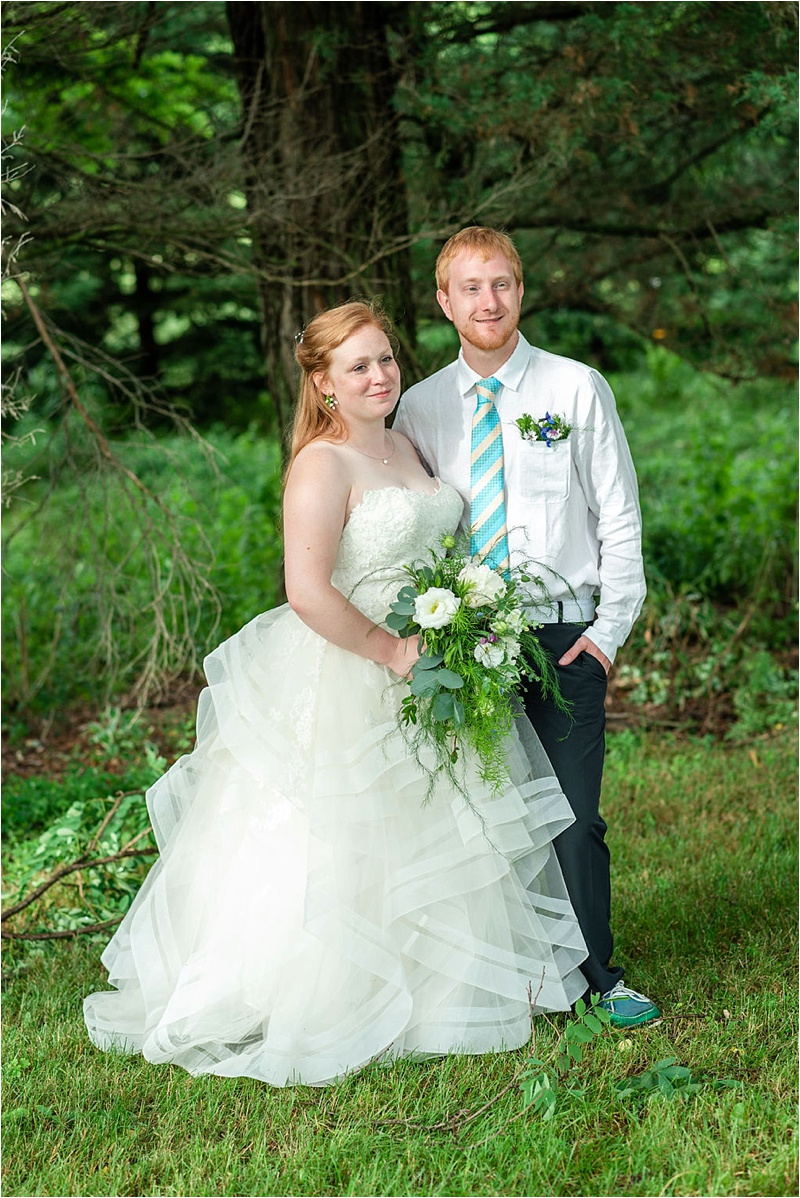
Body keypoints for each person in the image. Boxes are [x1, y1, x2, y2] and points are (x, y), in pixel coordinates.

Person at [84, 300, 589, 1087]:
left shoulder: (404, 445)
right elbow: (308, 589)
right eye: (358, 366)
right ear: (323, 384)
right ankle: (321, 990)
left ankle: (442, 988)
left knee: (439, 828)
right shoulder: (321, 463)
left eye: (385, 359)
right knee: (336, 832)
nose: (380, 376)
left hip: (430, 655)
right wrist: (391, 651)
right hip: (352, 661)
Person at [393, 227, 660, 1028]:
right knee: (479, 814)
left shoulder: (576, 388)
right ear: (445, 301)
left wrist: (608, 633)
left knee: (574, 815)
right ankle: (503, 978)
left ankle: (597, 978)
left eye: (501, 283)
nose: (487, 301)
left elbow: (620, 519)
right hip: (466, 639)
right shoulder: (421, 406)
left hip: (562, 634)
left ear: (522, 289)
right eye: (469, 287)